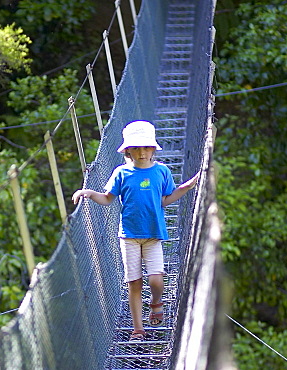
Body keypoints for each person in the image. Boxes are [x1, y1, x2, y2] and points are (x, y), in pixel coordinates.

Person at [72, 120, 199, 340]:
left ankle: (156, 301)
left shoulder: (162, 171)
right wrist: (87, 193)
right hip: (129, 236)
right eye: (137, 148)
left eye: (146, 147)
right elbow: (107, 198)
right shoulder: (121, 173)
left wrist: (187, 186)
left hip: (153, 234)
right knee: (134, 282)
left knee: (156, 281)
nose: (142, 152)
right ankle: (138, 329)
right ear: (128, 150)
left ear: (153, 149)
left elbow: (165, 200)